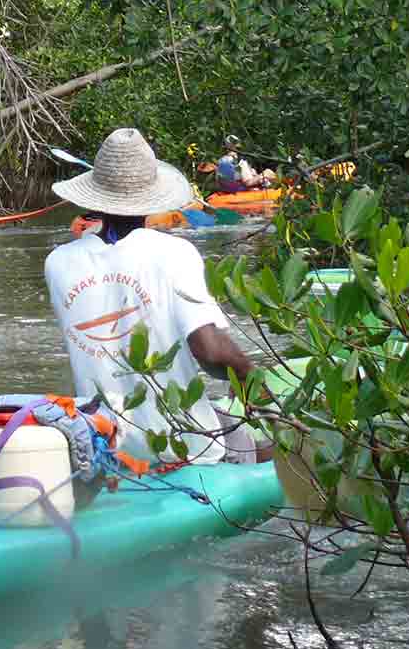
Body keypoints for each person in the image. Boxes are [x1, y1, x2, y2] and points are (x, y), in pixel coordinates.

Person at [45, 128, 263, 465]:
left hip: (101, 443)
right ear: (151, 196)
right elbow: (210, 350)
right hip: (181, 444)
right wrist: (251, 379)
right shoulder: (175, 252)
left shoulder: (57, 262)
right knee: (269, 447)